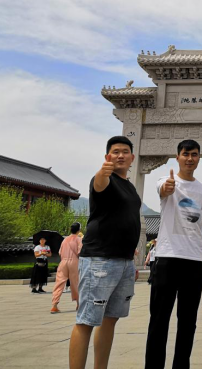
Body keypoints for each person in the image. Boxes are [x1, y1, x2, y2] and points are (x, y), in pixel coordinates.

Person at [69, 136, 141, 370]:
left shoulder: (130, 186)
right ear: (107, 156)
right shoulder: (103, 179)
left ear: (132, 157)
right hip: (100, 260)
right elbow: (100, 183)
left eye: (125, 151)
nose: (120, 155)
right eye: (115, 151)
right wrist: (103, 171)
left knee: (110, 319)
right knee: (86, 321)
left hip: (124, 261)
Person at [145, 139, 202, 369]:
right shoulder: (166, 181)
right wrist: (168, 187)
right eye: (185, 154)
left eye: (194, 154)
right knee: (159, 319)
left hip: (193, 261)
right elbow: (163, 189)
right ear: (177, 157)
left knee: (188, 321)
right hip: (167, 258)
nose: (189, 158)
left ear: (199, 158)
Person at [51, 222, 83, 313]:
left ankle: (54, 305)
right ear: (79, 230)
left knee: (59, 282)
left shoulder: (65, 240)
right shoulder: (78, 239)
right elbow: (80, 252)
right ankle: (78, 304)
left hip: (63, 262)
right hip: (74, 262)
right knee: (76, 283)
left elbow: (60, 252)